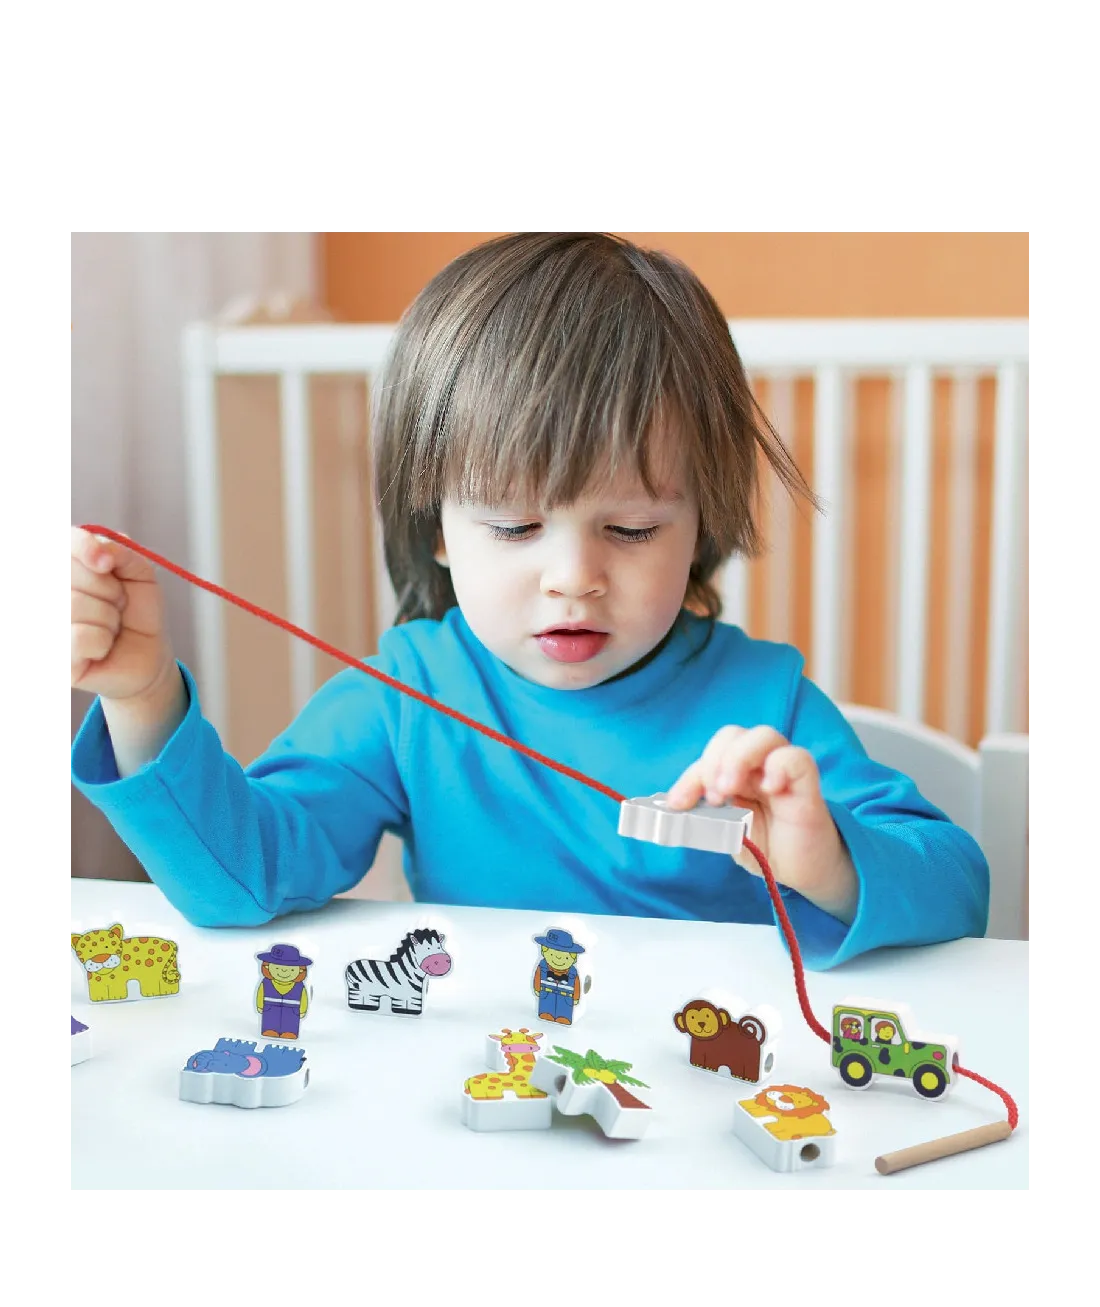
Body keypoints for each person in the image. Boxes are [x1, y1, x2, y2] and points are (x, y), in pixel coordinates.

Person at [65, 232, 989, 969]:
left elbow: (959, 888)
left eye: (631, 529)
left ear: (700, 524)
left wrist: (825, 859)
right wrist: (142, 698)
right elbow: (242, 878)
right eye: (514, 527)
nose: (573, 576)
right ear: (434, 527)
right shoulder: (406, 696)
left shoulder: (762, 705)